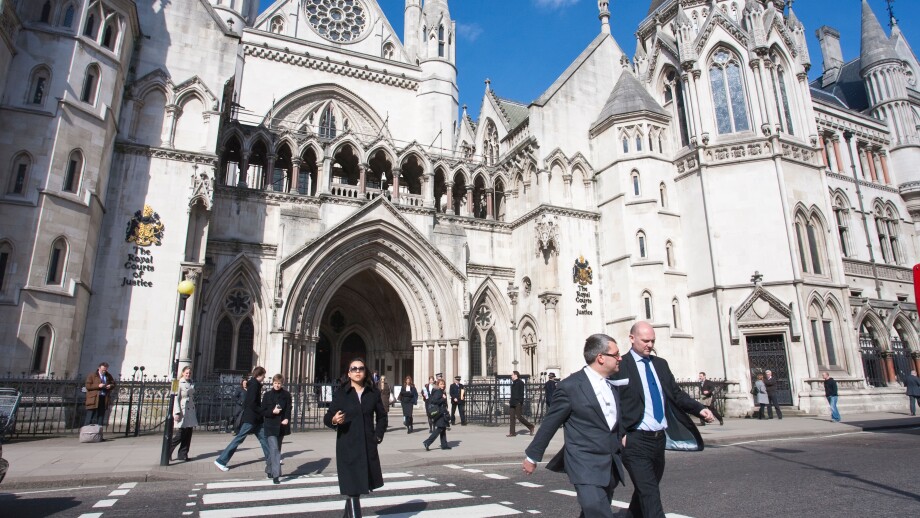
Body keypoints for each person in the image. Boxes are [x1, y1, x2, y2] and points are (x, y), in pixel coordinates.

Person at [612, 321, 712, 518]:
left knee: (647, 489)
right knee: (650, 493)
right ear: (632, 338)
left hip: (658, 440)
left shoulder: (660, 364)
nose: (650, 345)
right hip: (635, 440)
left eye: (652, 341)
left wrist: (700, 408)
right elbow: (610, 402)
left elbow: (676, 394)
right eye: (645, 341)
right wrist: (620, 433)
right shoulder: (621, 366)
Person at [523, 334, 625, 518]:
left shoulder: (613, 385)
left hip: (609, 464)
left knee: (593, 512)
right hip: (584, 464)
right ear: (601, 357)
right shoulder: (570, 386)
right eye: (616, 354)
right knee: (598, 512)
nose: (620, 358)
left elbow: (615, 421)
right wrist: (532, 456)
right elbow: (550, 423)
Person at [324, 358, 388, 518]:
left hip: (367, 446)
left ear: (365, 371)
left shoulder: (373, 393)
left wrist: (378, 436)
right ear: (349, 373)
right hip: (347, 446)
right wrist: (333, 420)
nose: (357, 371)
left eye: (360, 368)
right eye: (354, 369)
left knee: (356, 490)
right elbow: (328, 416)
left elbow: (382, 417)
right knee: (352, 489)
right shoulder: (341, 394)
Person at [215, 366, 270, 471]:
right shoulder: (254, 385)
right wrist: (263, 411)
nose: (264, 377)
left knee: (264, 439)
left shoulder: (254, 384)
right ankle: (221, 460)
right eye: (263, 375)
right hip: (251, 418)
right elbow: (251, 403)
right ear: (259, 375)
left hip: (255, 419)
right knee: (238, 439)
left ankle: (271, 459)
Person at [261, 374, 291, 484]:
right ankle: (276, 474)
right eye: (275, 383)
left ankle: (269, 468)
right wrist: (272, 412)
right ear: (272, 383)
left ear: (282, 384)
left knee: (277, 448)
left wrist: (287, 419)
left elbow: (288, 408)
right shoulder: (267, 395)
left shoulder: (286, 395)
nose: (277, 385)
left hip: (281, 425)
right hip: (270, 424)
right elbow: (263, 411)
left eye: (279, 383)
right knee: (274, 449)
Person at [168, 366, 198, 462]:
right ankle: (168, 451)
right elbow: (175, 399)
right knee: (181, 434)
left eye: (189, 373)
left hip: (190, 410)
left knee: (188, 434)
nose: (188, 374)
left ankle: (183, 455)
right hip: (182, 411)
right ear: (182, 373)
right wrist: (176, 412)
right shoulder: (176, 383)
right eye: (186, 373)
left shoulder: (191, 382)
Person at [422, 378, 451, 451]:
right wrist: (443, 399)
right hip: (439, 413)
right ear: (438, 385)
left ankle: (444, 445)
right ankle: (427, 442)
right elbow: (434, 401)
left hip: (442, 412)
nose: (443, 385)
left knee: (443, 429)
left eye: (443, 384)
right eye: (441, 384)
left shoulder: (441, 392)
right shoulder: (438, 392)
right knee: (440, 428)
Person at [84, 362, 115, 427]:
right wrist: (98, 385)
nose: (104, 371)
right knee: (90, 415)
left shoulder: (108, 375)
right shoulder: (92, 375)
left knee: (101, 416)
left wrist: (110, 386)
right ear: (99, 368)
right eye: (103, 369)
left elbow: (113, 384)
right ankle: (86, 432)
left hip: (103, 397)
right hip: (94, 398)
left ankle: (99, 433)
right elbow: (88, 386)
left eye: (105, 369)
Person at [508, 371, 534, 437]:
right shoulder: (513, 383)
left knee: (519, 417)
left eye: (512, 375)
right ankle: (512, 433)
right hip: (512, 402)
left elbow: (521, 393)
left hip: (517, 402)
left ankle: (531, 426)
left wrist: (520, 401)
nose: (511, 376)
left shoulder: (520, 382)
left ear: (516, 375)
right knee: (511, 417)